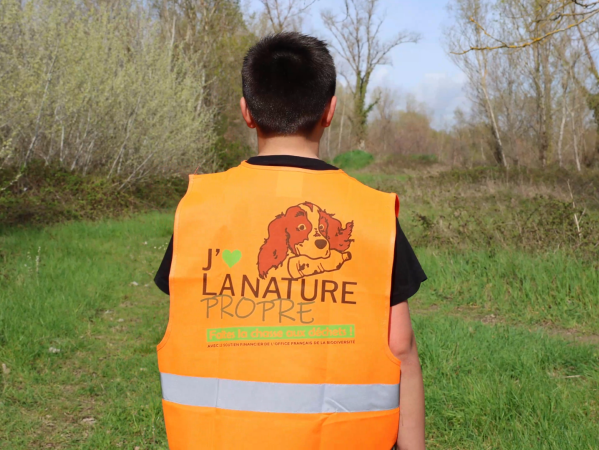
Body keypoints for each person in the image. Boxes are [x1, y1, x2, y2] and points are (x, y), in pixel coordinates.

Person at [153, 32, 426, 450]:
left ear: (246, 112)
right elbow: (400, 346)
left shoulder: (198, 210)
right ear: (330, 111)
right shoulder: (373, 214)